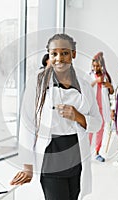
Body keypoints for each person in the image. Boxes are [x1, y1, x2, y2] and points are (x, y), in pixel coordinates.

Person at [10, 33, 102, 200]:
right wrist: (27, 166)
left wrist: (79, 116)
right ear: (49, 55)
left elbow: (97, 123)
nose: (59, 58)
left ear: (73, 54)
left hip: (77, 155)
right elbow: (27, 124)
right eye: (54, 53)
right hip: (51, 155)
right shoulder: (37, 82)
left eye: (65, 53)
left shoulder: (85, 86)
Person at [88, 52, 114, 162]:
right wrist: (95, 81)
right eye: (94, 66)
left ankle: (97, 153)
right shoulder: (88, 75)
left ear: (101, 65)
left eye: (97, 66)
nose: (95, 68)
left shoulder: (106, 77)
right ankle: (86, 153)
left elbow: (111, 92)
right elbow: (85, 87)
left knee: (100, 130)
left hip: (103, 108)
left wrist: (110, 86)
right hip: (92, 108)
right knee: (89, 130)